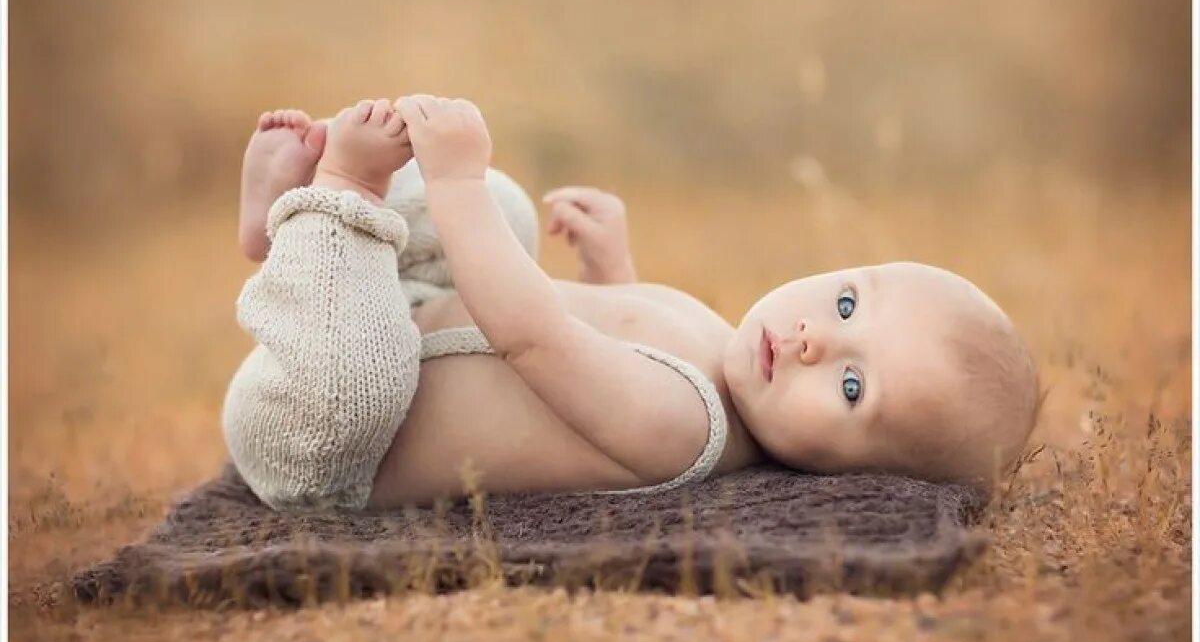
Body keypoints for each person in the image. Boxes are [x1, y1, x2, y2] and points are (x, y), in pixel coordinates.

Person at [224, 98, 1039, 511]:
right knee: (507, 212)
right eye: (849, 305)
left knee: (477, 204)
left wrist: (456, 178)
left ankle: (337, 193)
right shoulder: (725, 356)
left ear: (852, 481)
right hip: (407, 312)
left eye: (853, 388)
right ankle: (282, 231)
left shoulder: (684, 428)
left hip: (328, 437)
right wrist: (612, 267)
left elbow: (536, 339)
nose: (812, 342)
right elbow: (616, 340)